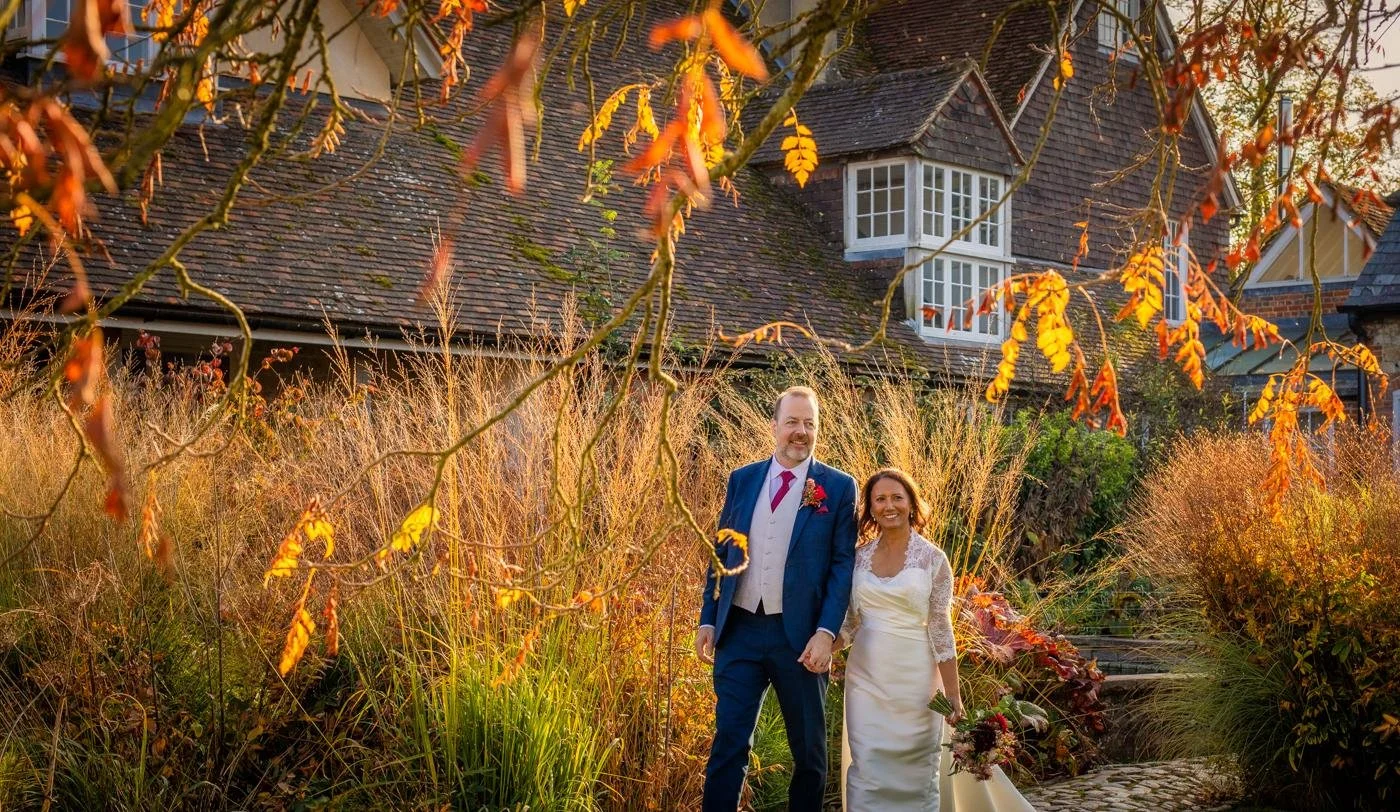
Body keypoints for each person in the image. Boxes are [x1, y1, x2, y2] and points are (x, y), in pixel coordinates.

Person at [696, 386, 858, 811]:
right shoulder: (743, 479)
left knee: (809, 754)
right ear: (775, 426)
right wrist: (708, 618)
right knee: (729, 743)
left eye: (809, 424)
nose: (800, 432)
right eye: (792, 422)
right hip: (740, 631)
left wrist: (827, 633)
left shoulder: (838, 488)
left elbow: (843, 566)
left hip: (801, 637)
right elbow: (720, 551)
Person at [836, 468, 1033, 812]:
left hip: (917, 683)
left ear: (912, 503)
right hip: (865, 681)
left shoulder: (933, 559)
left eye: (897, 497)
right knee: (867, 767)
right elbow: (851, 623)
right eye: (879, 499)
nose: (889, 506)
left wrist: (953, 695)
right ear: (870, 507)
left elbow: (941, 630)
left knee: (916, 771)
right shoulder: (858, 558)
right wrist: (824, 644)